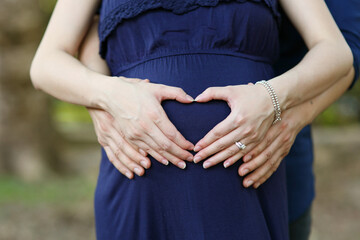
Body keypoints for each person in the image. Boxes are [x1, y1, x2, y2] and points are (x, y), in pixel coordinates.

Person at [30, 0, 353, 239]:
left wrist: (272, 97)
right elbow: (46, 63)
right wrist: (108, 96)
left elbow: (338, 52)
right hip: (139, 183)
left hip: (246, 178)